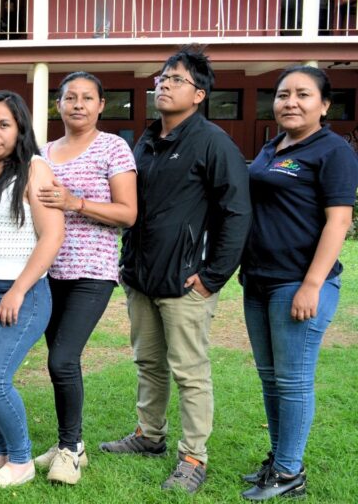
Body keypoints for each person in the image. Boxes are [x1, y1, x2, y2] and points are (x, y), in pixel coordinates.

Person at [100, 46, 251, 494]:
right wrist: (128, 263)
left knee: (189, 372)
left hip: (186, 283)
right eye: (161, 78)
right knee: (148, 362)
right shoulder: (146, 141)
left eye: (176, 79)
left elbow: (237, 213)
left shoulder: (213, 143)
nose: (164, 84)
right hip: (141, 277)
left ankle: (193, 457)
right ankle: (150, 435)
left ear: (199, 94)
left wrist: (212, 277)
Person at [238, 66, 358, 501]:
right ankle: (280, 459)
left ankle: (289, 472)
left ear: (324, 105)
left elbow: (338, 221)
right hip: (259, 280)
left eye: (303, 94)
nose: (290, 102)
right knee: (271, 378)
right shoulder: (272, 146)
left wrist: (312, 284)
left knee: (292, 381)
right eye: (283, 94)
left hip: (298, 283)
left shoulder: (333, 151)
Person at [32, 72, 137, 485]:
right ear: (58, 104)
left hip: (91, 271)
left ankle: (71, 449)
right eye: (70, 97)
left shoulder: (113, 147)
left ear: (100, 105)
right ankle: (69, 443)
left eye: (87, 98)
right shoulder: (42, 153)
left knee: (62, 359)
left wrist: (75, 202)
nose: (78, 104)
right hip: (47, 270)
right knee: (60, 362)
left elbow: (128, 213)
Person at [0, 90, 65, 488]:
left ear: (20, 128)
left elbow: (52, 236)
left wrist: (18, 290)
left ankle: (21, 461)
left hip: (15, 292)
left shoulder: (35, 169)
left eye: (4, 125)